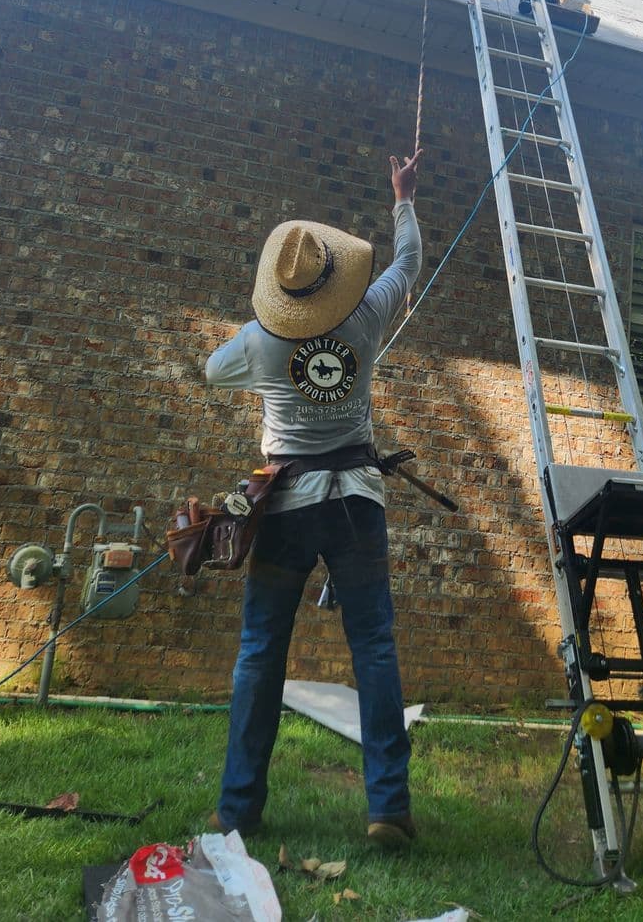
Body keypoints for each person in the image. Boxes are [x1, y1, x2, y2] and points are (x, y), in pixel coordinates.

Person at [204, 149, 423, 850]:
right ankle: (387, 805)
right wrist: (402, 197)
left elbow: (212, 371)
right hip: (357, 501)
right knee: (375, 646)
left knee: (261, 648)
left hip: (286, 506)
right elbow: (408, 263)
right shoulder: (364, 319)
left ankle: (238, 807)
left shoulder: (260, 342)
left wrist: (265, 361)